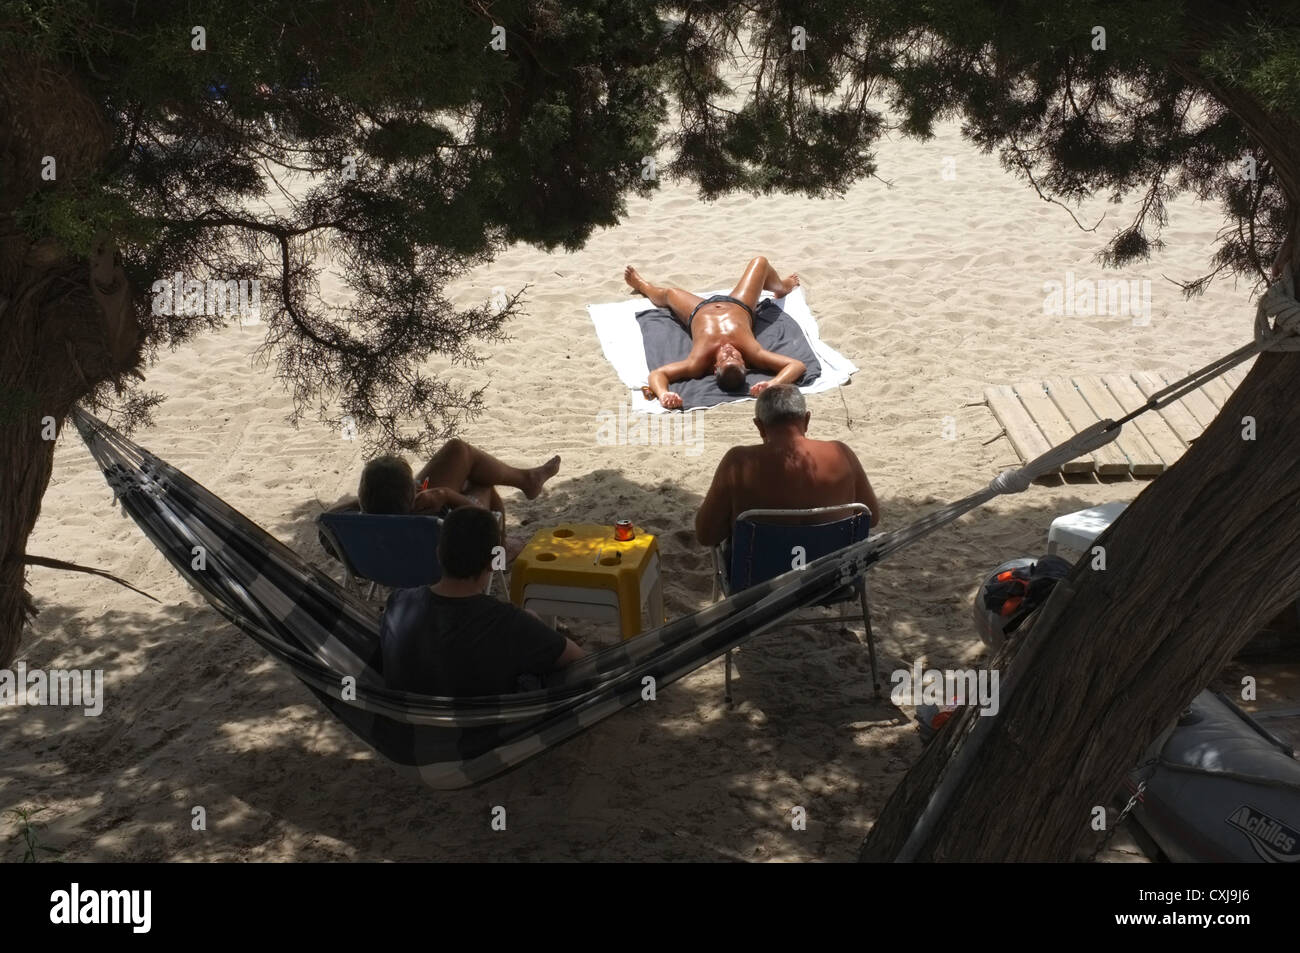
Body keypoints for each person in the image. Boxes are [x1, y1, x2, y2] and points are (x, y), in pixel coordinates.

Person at [381, 506, 585, 696]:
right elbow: (578, 660)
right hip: (485, 730)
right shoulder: (508, 622)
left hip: (410, 726)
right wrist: (533, 624)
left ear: (438, 554)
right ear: (492, 563)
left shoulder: (398, 604)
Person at [694, 384, 881, 547]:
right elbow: (871, 518)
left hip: (760, 583)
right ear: (806, 420)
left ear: (759, 426)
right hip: (834, 581)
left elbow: (707, 535)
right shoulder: (841, 453)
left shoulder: (738, 463)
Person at [625, 256, 806, 409]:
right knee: (760, 262)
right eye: (735, 357)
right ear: (745, 363)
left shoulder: (697, 361)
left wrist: (664, 394)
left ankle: (641, 285)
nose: (729, 352)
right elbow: (796, 365)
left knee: (669, 294)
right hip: (739, 304)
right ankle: (782, 287)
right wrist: (773, 384)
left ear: (715, 368)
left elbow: (657, 374)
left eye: (726, 358)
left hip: (698, 311)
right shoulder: (753, 352)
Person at [347, 439, 560, 521]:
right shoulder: (430, 520)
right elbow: (483, 516)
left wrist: (368, 503)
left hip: (387, 560)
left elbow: (327, 516)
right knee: (480, 482)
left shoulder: (348, 527)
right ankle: (499, 555)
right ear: (412, 496)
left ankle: (527, 479)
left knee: (458, 452)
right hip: (442, 558)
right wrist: (446, 494)